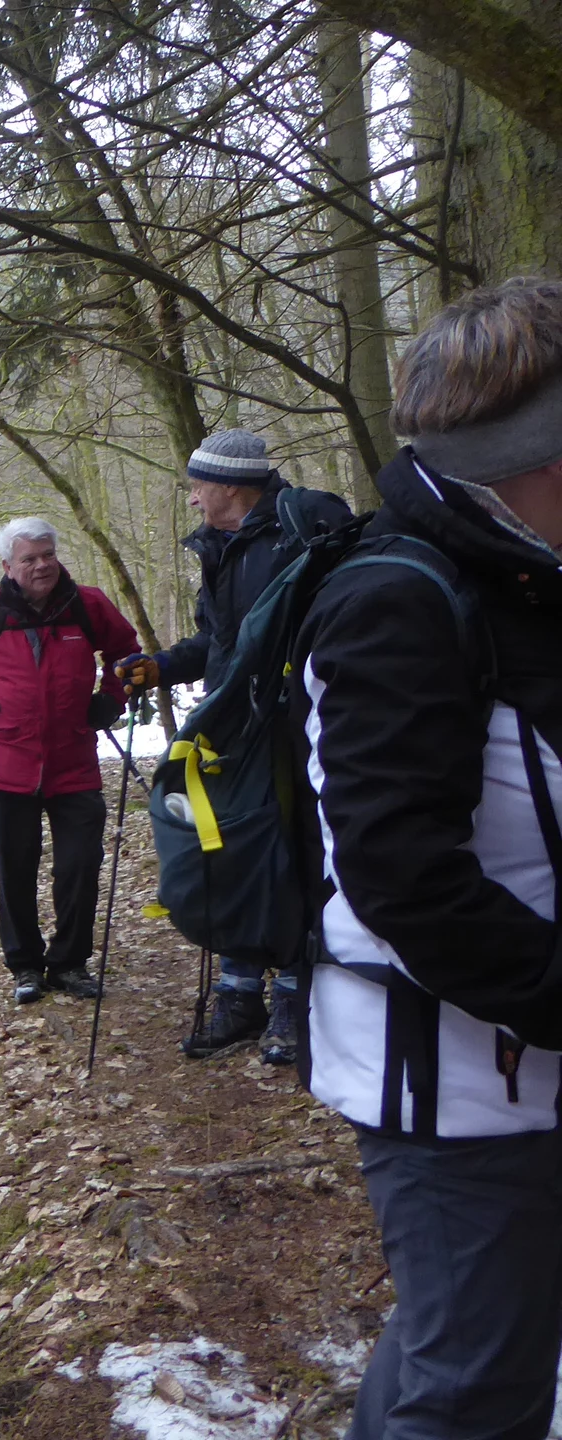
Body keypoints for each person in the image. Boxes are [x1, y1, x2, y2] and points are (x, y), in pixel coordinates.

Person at [295, 278, 562, 1440]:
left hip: (528, 1064)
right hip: (453, 1084)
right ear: (525, 460)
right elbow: (401, 874)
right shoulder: (397, 600)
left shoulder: (526, 580)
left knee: (467, 1344)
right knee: (477, 1395)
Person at [116, 430, 349, 1063]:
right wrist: (161, 666)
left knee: (297, 855)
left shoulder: (298, 536)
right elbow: (219, 645)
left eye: (196, 486)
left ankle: (294, 1003)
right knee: (237, 856)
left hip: (299, 729)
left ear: (229, 486)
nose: (191, 500)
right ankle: (241, 996)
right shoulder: (222, 547)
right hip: (232, 731)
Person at [0, 518, 139, 1004]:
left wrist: (113, 698)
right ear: (9, 566)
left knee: (80, 866)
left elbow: (126, 653)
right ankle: (25, 966)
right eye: (29, 558)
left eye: (47, 554)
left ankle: (69, 964)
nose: (42, 565)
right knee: (15, 869)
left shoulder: (88, 605)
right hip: (7, 763)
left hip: (74, 763)